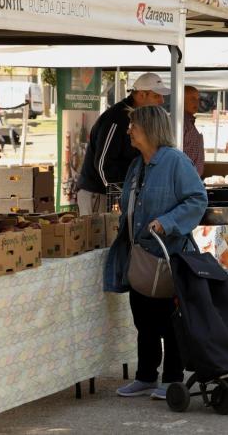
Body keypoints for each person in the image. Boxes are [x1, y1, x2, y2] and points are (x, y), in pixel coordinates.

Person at [106, 105, 207, 401]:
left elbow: (197, 199)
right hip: (141, 257)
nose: (128, 130)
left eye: (133, 126)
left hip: (170, 256)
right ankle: (146, 376)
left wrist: (167, 221)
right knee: (144, 319)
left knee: (169, 321)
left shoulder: (175, 161)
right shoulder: (138, 165)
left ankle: (172, 379)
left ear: (149, 128)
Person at [76, 73, 168, 216]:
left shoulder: (139, 118)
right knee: (99, 237)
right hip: (99, 194)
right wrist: (120, 193)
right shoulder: (116, 118)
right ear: (141, 95)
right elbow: (102, 163)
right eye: (156, 96)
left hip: (119, 194)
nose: (162, 101)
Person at [182, 86, 204, 177]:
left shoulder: (189, 123)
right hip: (182, 179)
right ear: (180, 99)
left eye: (198, 99)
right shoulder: (178, 123)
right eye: (192, 99)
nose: (197, 102)